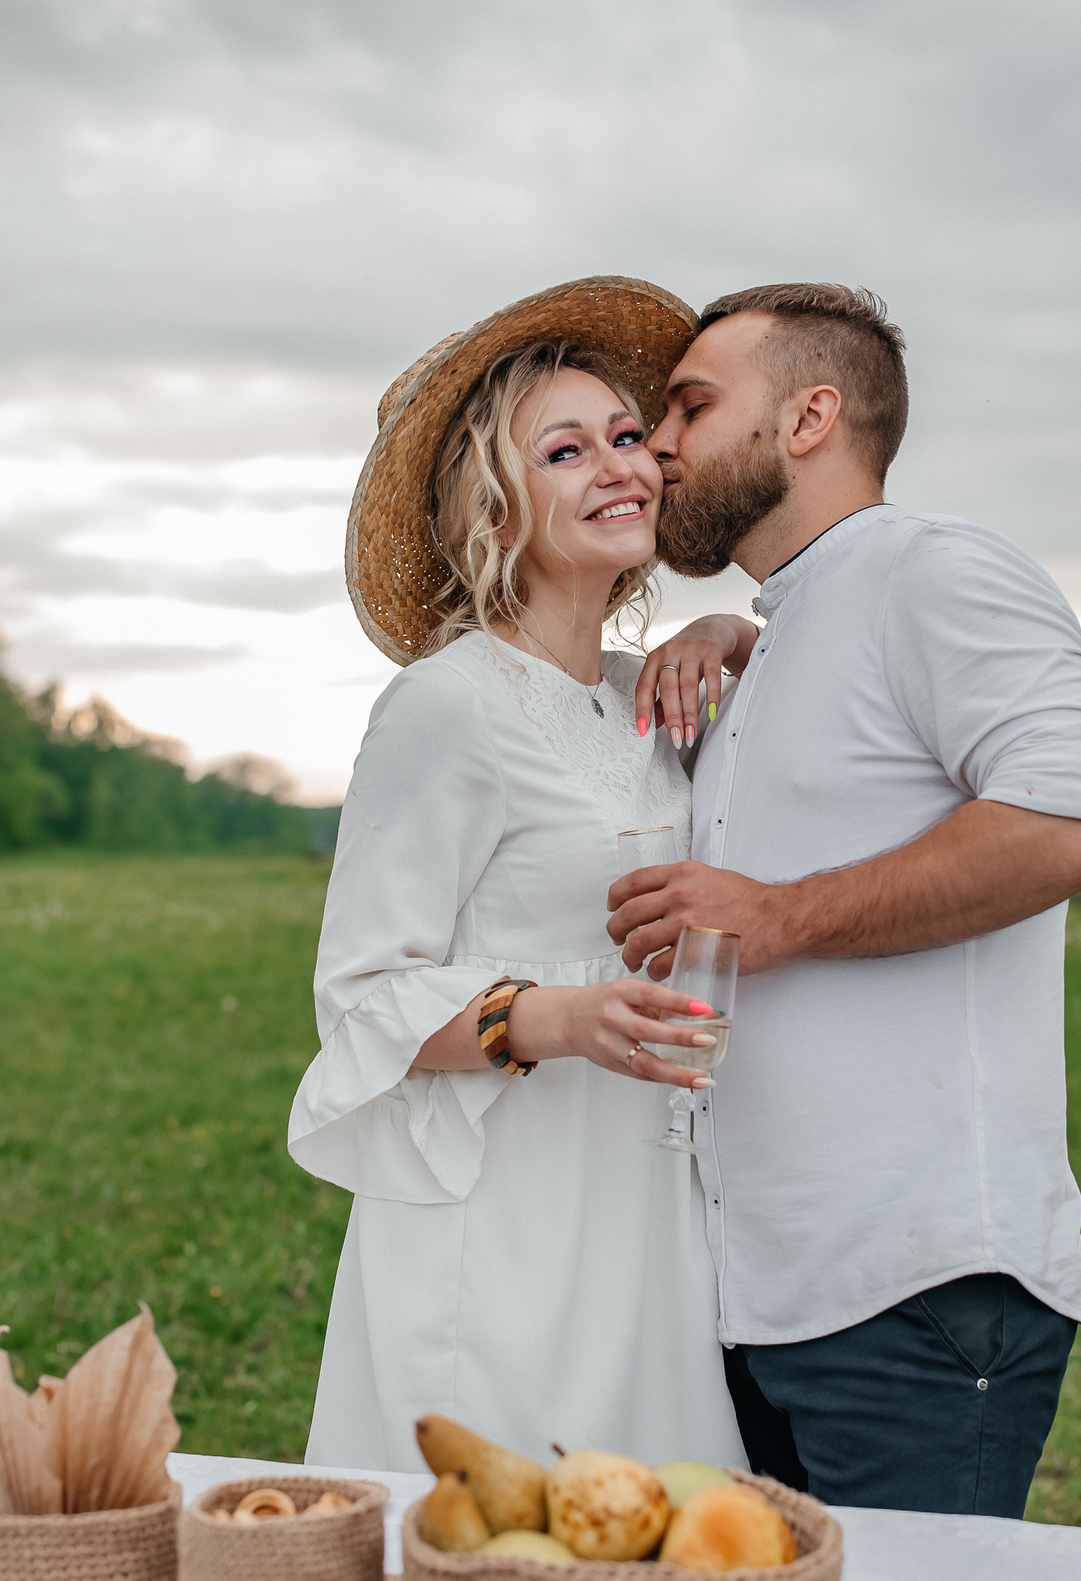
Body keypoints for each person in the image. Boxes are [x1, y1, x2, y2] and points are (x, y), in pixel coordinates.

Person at [613, 283, 1081, 1517]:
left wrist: (785, 913)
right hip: (758, 1296)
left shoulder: (934, 567)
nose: (661, 445)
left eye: (692, 405)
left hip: (914, 1291)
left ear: (810, 416)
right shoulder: (777, 629)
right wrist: (728, 634)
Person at [290, 277, 749, 1474]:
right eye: (564, 449)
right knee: (499, 1551)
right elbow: (360, 994)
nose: (619, 465)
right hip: (504, 1216)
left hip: (642, 1203)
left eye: (627, 437)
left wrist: (727, 632)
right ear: (495, 505)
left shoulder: (637, 692)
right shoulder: (445, 706)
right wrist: (561, 1015)